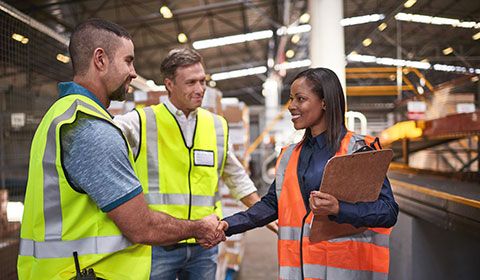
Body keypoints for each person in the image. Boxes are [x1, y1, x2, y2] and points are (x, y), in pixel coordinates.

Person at [17, 19, 223, 280]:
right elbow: (141, 227)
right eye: (128, 60)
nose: (134, 72)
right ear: (100, 60)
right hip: (85, 273)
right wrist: (198, 227)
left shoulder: (63, 114)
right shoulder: (91, 130)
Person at [219, 67, 399, 280]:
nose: (291, 106)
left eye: (300, 99)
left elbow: (388, 211)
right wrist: (228, 225)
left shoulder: (358, 151)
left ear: (324, 102)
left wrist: (340, 209)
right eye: (291, 99)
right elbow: (271, 204)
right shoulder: (289, 156)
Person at [114, 47, 276, 280]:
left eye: (203, 81)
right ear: (169, 84)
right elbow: (103, 133)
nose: (200, 89)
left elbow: (235, 177)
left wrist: (267, 216)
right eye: (191, 82)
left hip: (205, 245)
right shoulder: (142, 121)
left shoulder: (216, 125)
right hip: (159, 245)